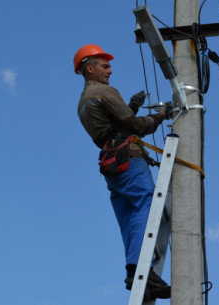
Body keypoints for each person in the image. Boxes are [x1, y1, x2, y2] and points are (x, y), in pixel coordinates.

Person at [74, 44, 171, 299]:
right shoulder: (104, 91)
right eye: (105, 66)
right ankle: (142, 270)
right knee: (146, 202)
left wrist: (131, 106)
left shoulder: (83, 102)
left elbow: (114, 126)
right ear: (90, 69)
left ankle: (134, 270)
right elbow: (133, 126)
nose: (110, 70)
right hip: (128, 157)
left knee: (129, 217)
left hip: (111, 164)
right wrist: (161, 116)